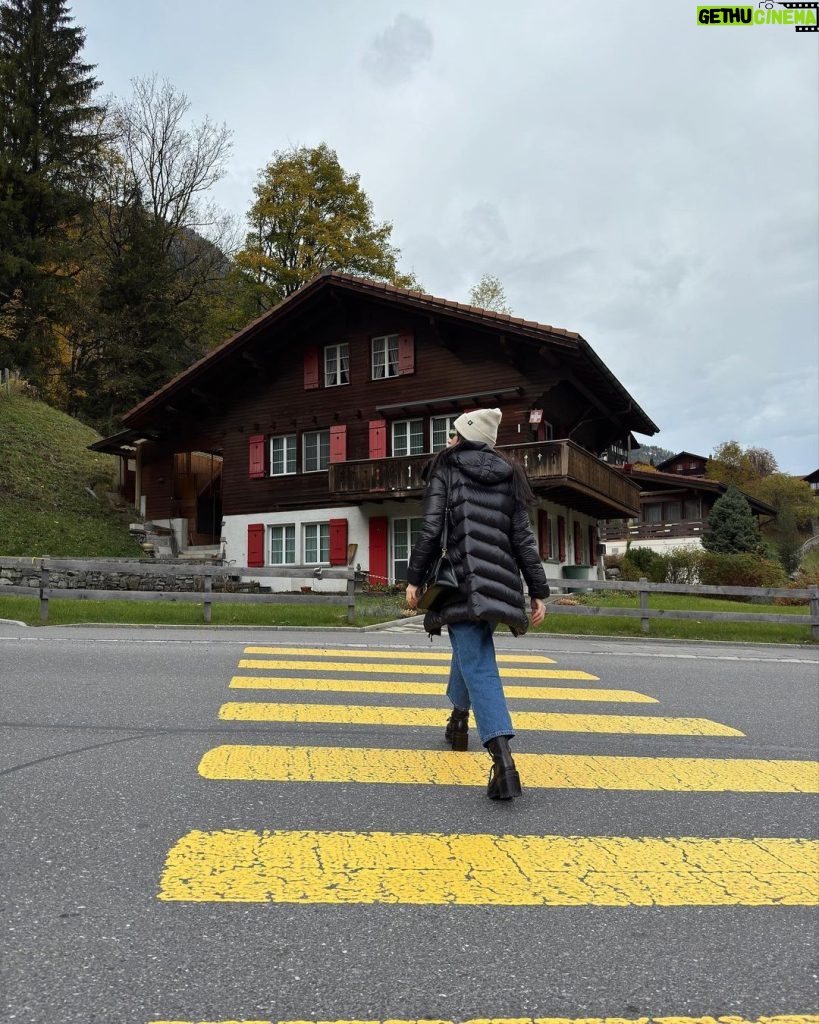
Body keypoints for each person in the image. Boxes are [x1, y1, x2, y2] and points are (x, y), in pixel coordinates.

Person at [405, 408, 549, 800]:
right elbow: (523, 539)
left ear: (464, 437)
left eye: (453, 434)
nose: (448, 440)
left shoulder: (445, 468)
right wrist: (537, 589)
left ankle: (503, 762)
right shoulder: (510, 475)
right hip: (499, 585)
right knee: (469, 650)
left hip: (460, 582)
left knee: (478, 663)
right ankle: (458, 721)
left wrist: (414, 579)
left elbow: (432, 530)